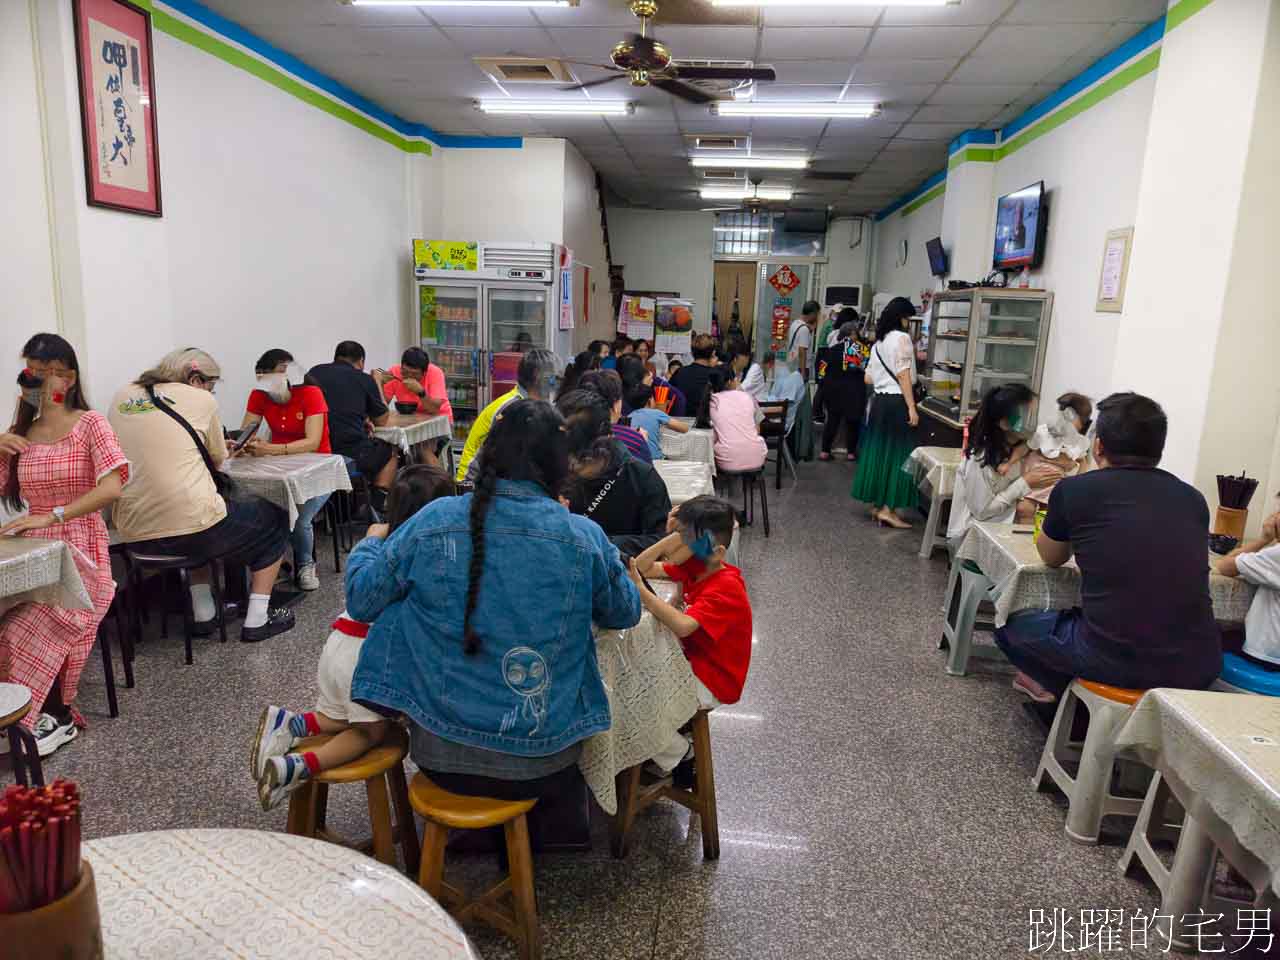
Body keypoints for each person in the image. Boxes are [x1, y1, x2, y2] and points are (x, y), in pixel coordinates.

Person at [347, 399, 641, 808]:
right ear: (561, 466)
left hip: (439, 752)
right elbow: (626, 612)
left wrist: (370, 543)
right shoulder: (582, 536)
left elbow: (363, 600)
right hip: (547, 754)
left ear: (488, 454)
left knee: (402, 607)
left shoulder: (435, 520)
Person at [251, 464, 456, 808]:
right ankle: (297, 766)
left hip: (339, 642)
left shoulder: (385, 542)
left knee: (345, 716)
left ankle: (292, 723)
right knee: (368, 732)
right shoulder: (429, 551)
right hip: (368, 656)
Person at [996, 393, 1222, 704]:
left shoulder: (1076, 490)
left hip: (1114, 659)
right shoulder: (1193, 499)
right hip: (1198, 665)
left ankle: (1073, 701)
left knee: (1011, 627)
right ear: (1159, 449)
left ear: (1098, 446)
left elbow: (1051, 557)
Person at [109, 348, 295, 643]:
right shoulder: (201, 399)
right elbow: (219, 459)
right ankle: (259, 618)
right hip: (191, 527)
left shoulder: (122, 396)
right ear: (195, 379)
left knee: (195, 518)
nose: (212, 392)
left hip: (133, 531)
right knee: (275, 520)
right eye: (212, 385)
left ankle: (204, 613)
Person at [0, 334, 128, 755]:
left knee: (23, 628)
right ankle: (15, 717)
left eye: (49, 372)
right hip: (32, 551)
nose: (38, 382)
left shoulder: (90, 424)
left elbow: (112, 488)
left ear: (68, 378)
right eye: (30, 374)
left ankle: (44, 715)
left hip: (80, 554)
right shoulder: (22, 432)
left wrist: (53, 515)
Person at [628, 496, 752, 776]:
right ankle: (665, 745)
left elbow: (683, 626)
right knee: (633, 681)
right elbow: (644, 566)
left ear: (717, 551)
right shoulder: (697, 565)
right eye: (680, 535)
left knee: (633, 704)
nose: (680, 544)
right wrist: (672, 538)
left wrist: (642, 592)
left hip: (714, 680)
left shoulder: (726, 586)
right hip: (691, 663)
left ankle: (681, 756)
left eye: (687, 538)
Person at [240, 348, 333, 592]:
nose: (267, 387)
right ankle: (273, 563)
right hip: (281, 468)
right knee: (260, 509)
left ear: (286, 374)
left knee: (299, 517)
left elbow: (312, 442)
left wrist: (270, 449)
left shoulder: (311, 393)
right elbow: (246, 430)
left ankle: (305, 564)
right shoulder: (259, 395)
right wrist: (244, 444)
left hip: (317, 469)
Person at [557, 389, 671, 550]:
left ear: (607, 437)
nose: (573, 469)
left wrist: (598, 543)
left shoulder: (641, 477)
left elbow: (661, 539)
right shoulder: (551, 472)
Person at [946, 384, 1059, 543]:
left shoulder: (1024, 446)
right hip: (977, 536)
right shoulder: (980, 459)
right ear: (1004, 423)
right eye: (1027, 415)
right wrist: (1025, 482)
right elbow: (982, 512)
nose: (1033, 420)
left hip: (1010, 528)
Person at [851, 297, 920, 529]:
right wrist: (911, 407)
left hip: (879, 403)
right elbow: (903, 375)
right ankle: (889, 510)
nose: (909, 322)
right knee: (896, 456)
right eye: (908, 318)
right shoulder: (902, 339)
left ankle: (877, 505)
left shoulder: (879, 342)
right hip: (896, 403)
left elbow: (867, 377)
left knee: (879, 453)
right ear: (901, 318)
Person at [307, 341, 397, 512]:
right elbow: (382, 420)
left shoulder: (314, 372)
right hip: (350, 451)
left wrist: (361, 419)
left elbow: (329, 407)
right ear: (361, 361)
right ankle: (375, 506)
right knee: (391, 450)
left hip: (316, 449)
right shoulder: (364, 379)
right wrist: (377, 381)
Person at [455, 348, 560, 482]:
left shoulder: (536, 403)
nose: (556, 380)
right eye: (553, 375)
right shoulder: (512, 408)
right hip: (472, 481)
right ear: (537, 376)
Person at [1215, 499, 1280, 668]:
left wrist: (1264, 539)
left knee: (1207, 636)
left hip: (1268, 655)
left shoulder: (1276, 556)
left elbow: (1224, 566)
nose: (1273, 517)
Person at [816, 320, 868, 462]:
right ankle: (850, 453)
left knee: (832, 420)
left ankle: (825, 452)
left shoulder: (831, 350)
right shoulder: (861, 349)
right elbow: (867, 370)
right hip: (854, 390)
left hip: (833, 390)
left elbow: (821, 372)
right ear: (852, 334)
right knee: (853, 422)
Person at [578, 369, 652, 465]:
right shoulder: (633, 439)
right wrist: (642, 442)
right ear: (615, 404)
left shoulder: (570, 435)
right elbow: (646, 476)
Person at [702, 367, 766, 474]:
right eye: (735, 378)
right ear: (729, 382)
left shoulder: (712, 400)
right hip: (757, 456)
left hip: (728, 460)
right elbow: (757, 430)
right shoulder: (747, 396)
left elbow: (712, 435)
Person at [372, 347, 452, 423]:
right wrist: (379, 383)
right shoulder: (395, 372)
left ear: (424, 372)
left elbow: (435, 409)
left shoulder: (435, 373)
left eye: (414, 374)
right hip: (410, 418)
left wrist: (421, 392)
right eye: (405, 372)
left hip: (440, 420)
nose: (409, 376)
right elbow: (381, 408)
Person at [626, 382, 689, 461]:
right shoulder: (656, 413)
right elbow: (684, 428)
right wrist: (664, 420)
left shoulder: (628, 417)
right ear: (650, 401)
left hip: (637, 460)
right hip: (655, 459)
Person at [670, 334, 718, 417]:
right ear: (713, 353)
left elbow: (668, 396)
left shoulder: (680, 372)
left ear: (692, 352)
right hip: (707, 423)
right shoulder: (716, 375)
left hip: (680, 423)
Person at [785, 301, 821, 381]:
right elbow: (802, 351)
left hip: (792, 365)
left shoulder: (795, 323)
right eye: (817, 314)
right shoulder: (804, 329)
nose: (817, 317)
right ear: (812, 314)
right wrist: (803, 373)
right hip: (801, 368)